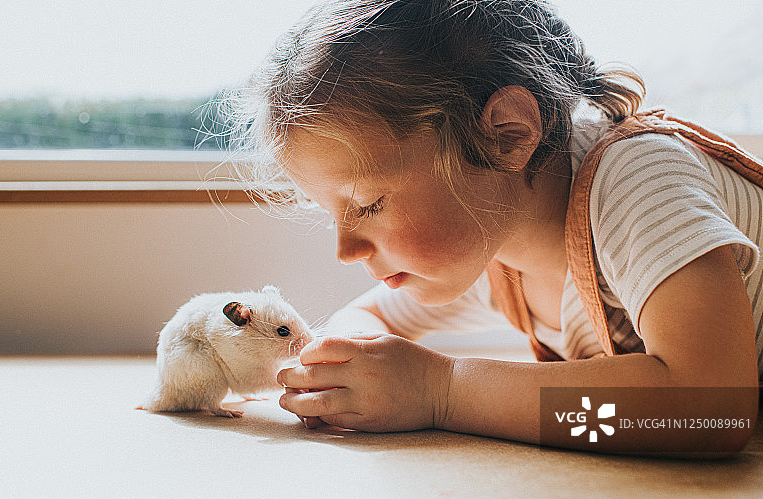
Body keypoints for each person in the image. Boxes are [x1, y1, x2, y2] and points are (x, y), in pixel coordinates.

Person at [228, 0, 762, 455]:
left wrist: (444, 390)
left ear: (507, 136)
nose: (345, 249)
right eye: (332, 213)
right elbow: (372, 316)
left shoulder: (636, 179)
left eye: (366, 202)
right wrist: (352, 368)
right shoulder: (496, 249)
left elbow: (710, 409)